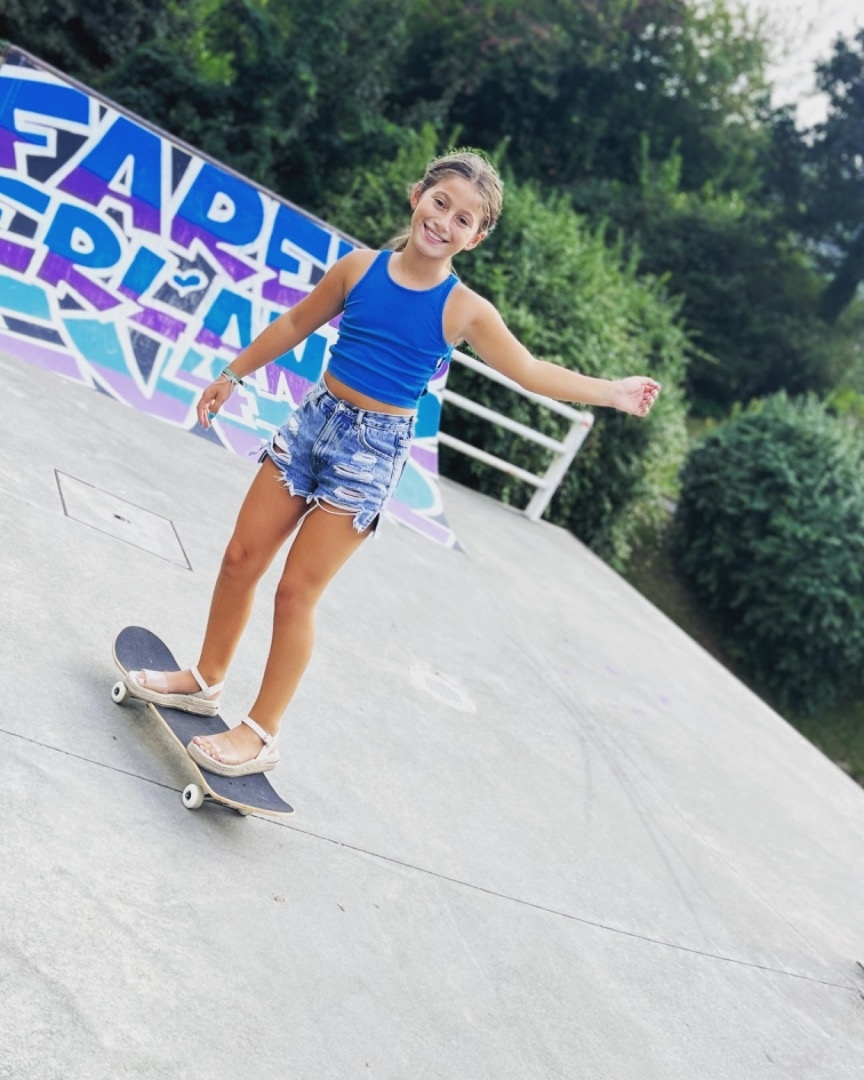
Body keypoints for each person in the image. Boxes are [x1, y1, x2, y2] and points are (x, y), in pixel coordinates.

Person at [124, 150, 661, 777]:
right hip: (312, 423)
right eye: (440, 202)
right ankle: (205, 679)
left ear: (476, 237)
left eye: (463, 219)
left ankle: (261, 732)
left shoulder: (464, 309)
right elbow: (296, 322)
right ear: (417, 196)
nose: (444, 222)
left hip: (371, 453)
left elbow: (530, 370)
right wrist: (232, 374)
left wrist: (612, 392)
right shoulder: (359, 268)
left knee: (295, 593)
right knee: (241, 558)